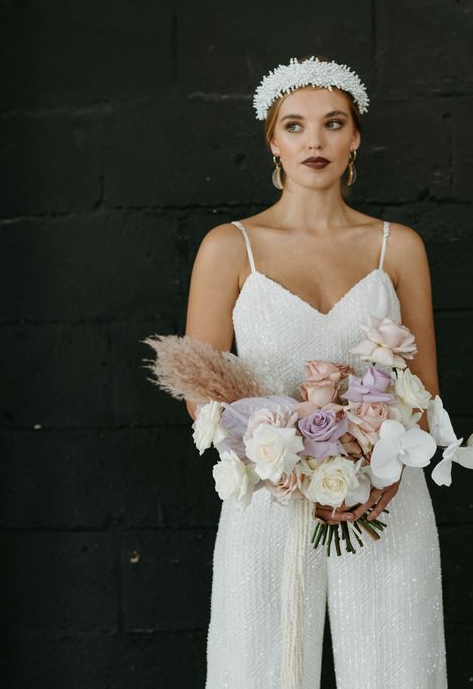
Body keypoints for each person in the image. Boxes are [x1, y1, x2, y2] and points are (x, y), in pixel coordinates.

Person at [184, 55, 447, 688]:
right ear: (273, 139)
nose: (314, 141)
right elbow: (201, 393)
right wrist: (284, 459)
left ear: (354, 136)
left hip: (384, 496)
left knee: (397, 670)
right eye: (295, 126)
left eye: (332, 124)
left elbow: (428, 390)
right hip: (269, 496)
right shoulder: (230, 246)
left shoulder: (398, 246)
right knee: (258, 671)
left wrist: (380, 466)